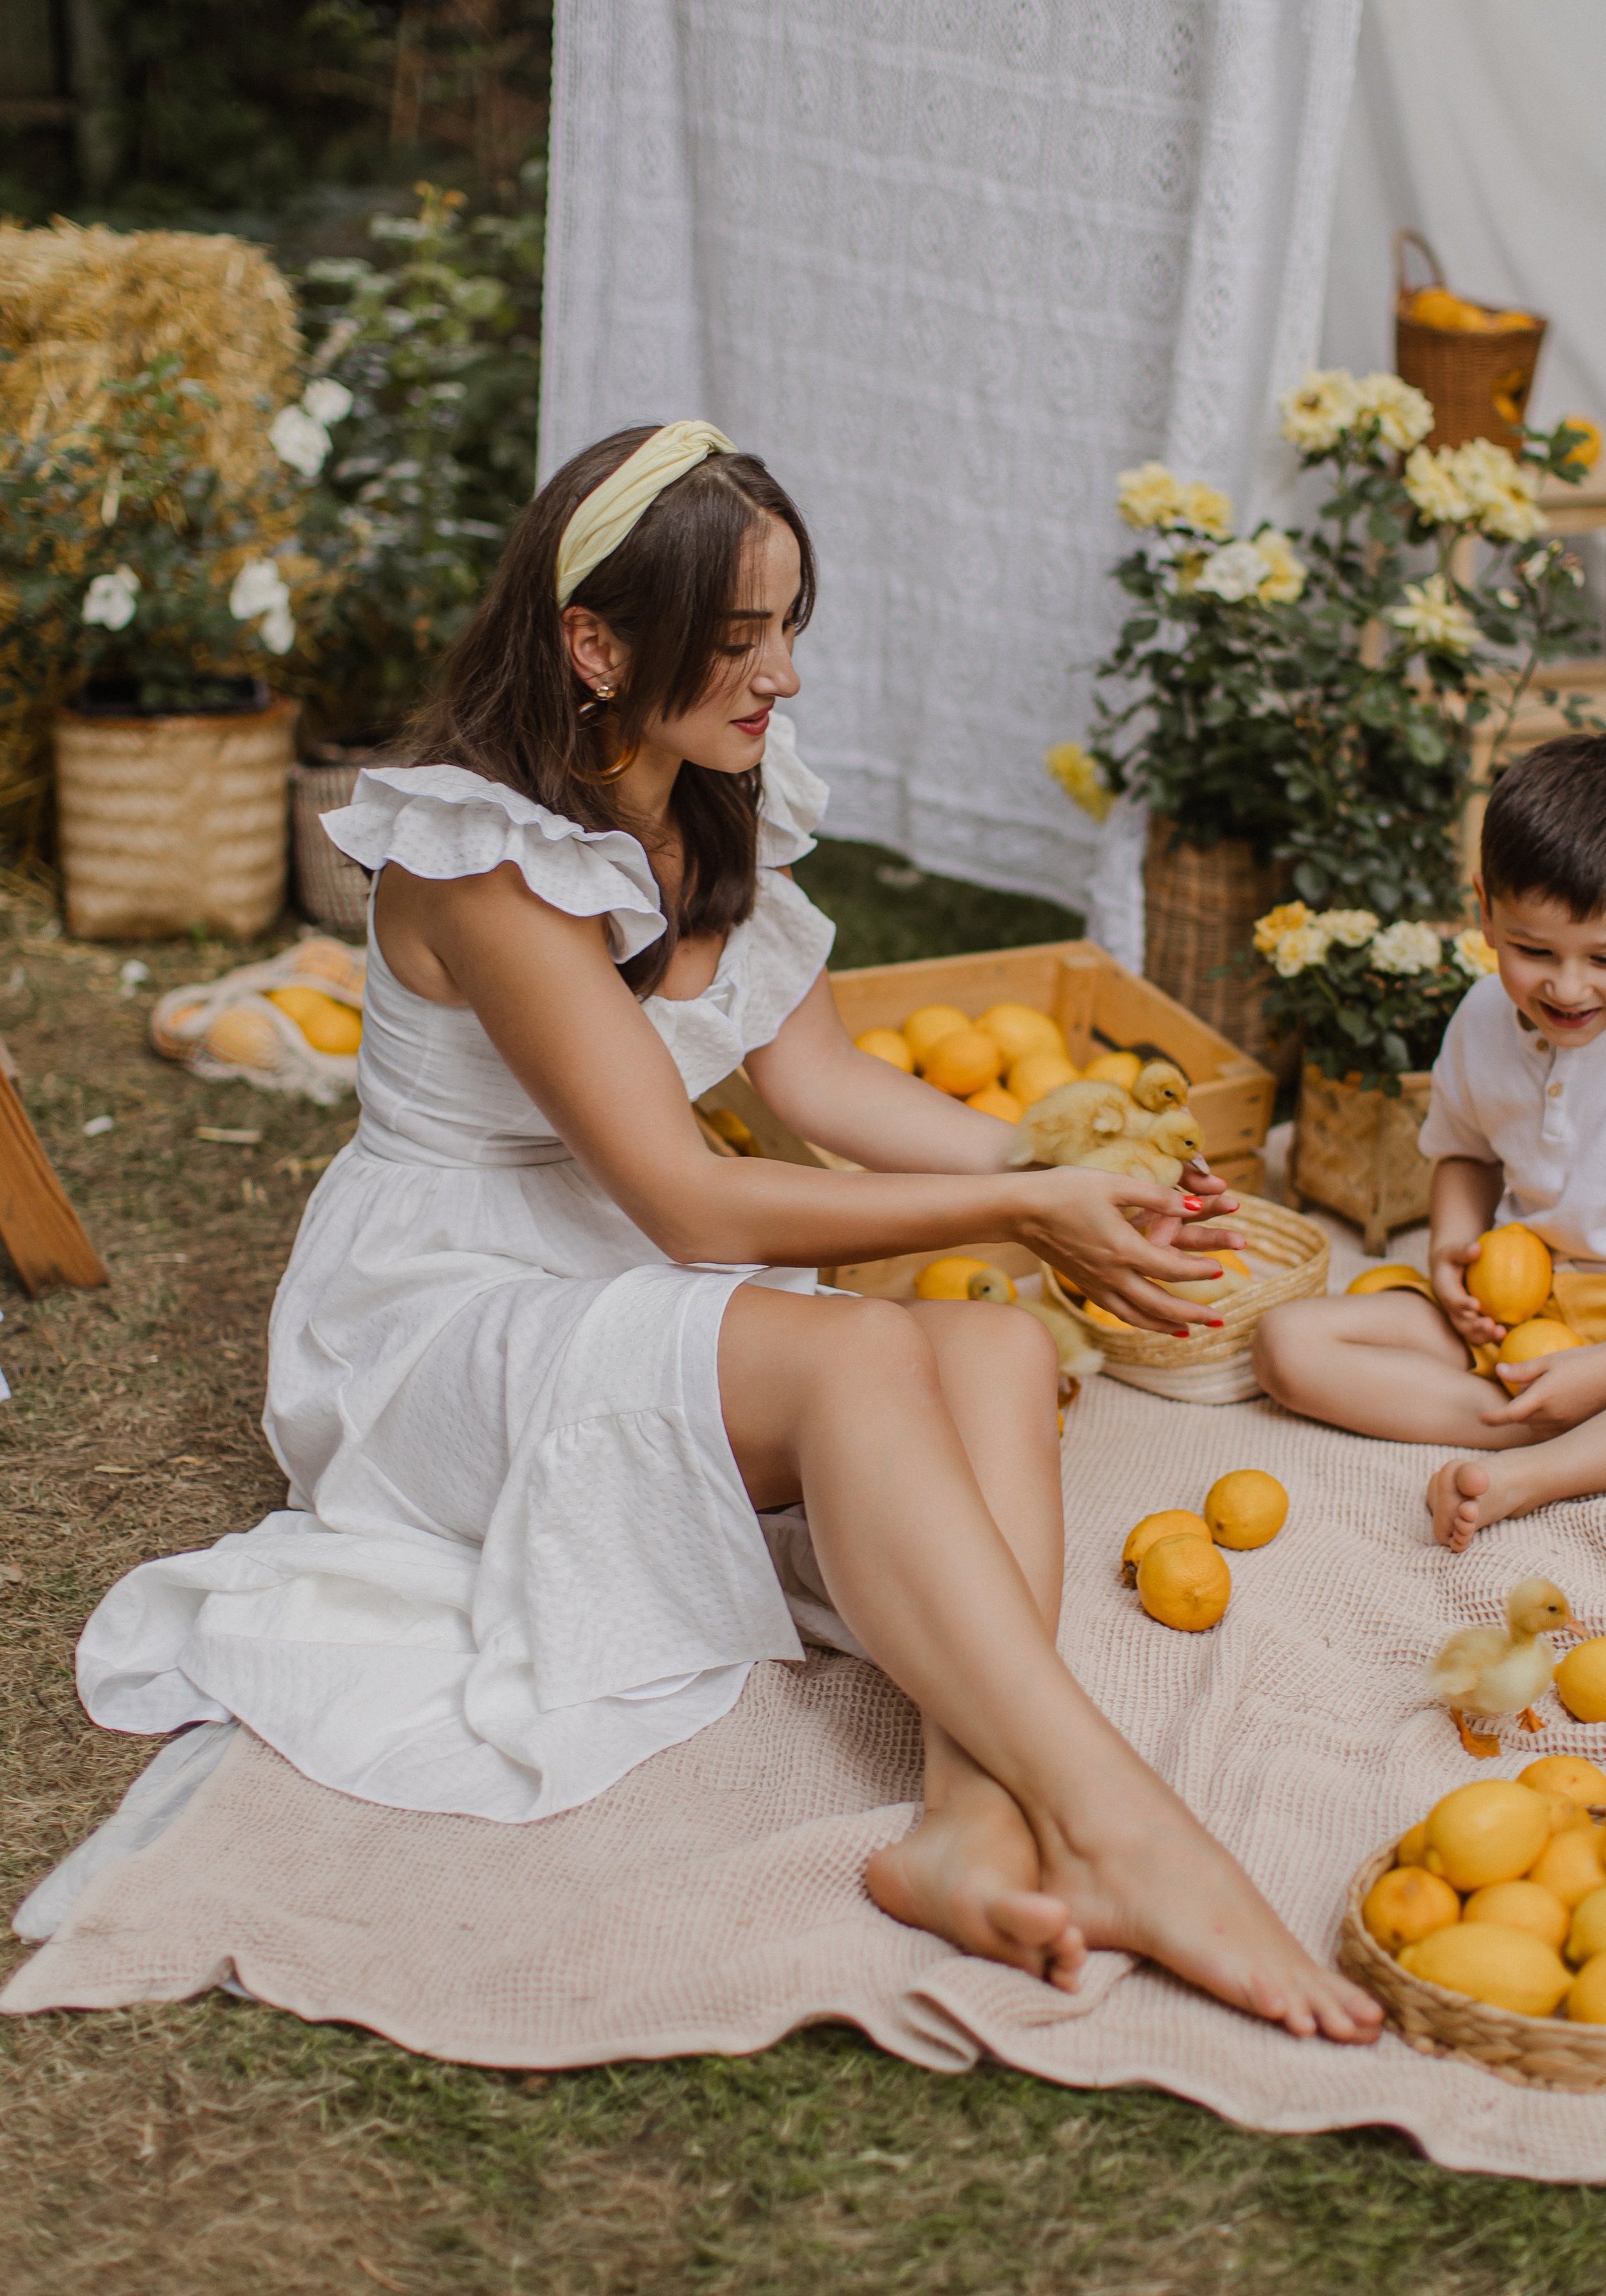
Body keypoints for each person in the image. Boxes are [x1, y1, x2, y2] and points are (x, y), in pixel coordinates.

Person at [76, 421, 1381, 2044]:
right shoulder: (485, 858)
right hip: (444, 1315)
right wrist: (1025, 1204)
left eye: (787, 625)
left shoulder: (712, 788)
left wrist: (1072, 1164)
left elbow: (818, 1074)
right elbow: (687, 1201)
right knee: (853, 1362)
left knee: (975, 1342)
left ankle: (971, 1820)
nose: (778, 674)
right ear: (593, 642)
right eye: (738, 634)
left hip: (614, 1264)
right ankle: (1128, 1825)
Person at [1254, 733, 1606, 1549]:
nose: (1565, 986)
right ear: (1485, 911)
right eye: (1531, 951)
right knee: (1286, 1347)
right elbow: (1468, 1152)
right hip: (1525, 1297)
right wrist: (1452, 1243)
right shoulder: (1482, 1018)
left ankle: (1541, 1471)